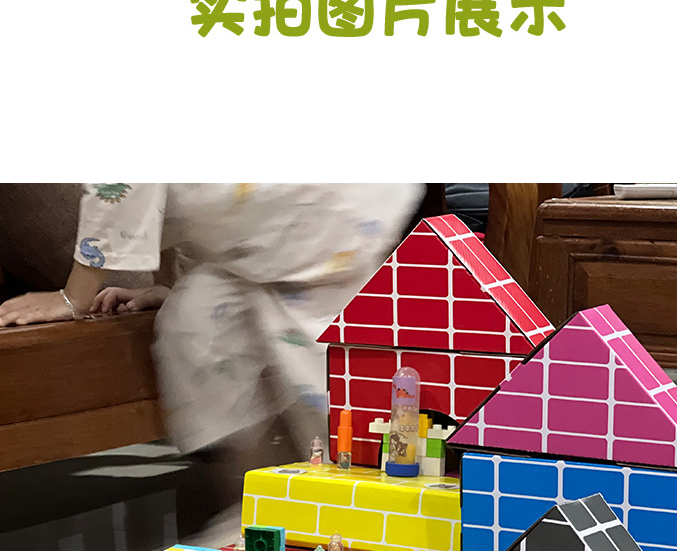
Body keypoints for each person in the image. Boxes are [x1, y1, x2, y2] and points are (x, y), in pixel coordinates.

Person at [0, 183, 422, 541]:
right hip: (268, 223)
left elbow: (127, 184)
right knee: (195, 318)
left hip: (316, 211)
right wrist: (166, 282)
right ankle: (261, 502)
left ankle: (348, 502)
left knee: (320, 351)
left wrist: (73, 296)